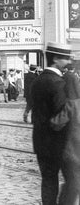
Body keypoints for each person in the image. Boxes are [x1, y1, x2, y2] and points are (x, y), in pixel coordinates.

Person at [31, 41, 70, 205]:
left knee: (48, 180)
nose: (68, 62)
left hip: (40, 140)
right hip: (58, 142)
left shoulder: (37, 81)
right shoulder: (58, 83)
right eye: (66, 59)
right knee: (71, 180)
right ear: (56, 59)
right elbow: (62, 116)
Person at [50, 97, 80, 205]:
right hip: (74, 155)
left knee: (73, 186)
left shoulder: (73, 105)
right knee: (73, 187)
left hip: (72, 155)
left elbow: (56, 123)